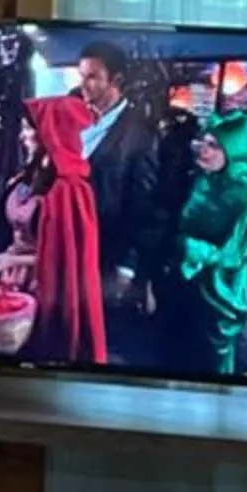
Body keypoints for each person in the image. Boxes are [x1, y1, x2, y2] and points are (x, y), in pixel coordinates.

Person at [1, 95, 109, 367]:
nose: (23, 136)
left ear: (51, 132)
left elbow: (66, 259)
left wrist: (14, 260)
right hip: (13, 281)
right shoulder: (29, 175)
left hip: (47, 288)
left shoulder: (70, 187)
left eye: (29, 129)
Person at [162, 112, 247, 378]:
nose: (204, 151)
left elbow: (233, 256)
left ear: (234, 153)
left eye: (214, 146)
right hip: (183, 285)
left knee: (208, 370)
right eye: (203, 142)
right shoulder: (201, 181)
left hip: (218, 295)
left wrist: (190, 247)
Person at [74, 39, 161, 317]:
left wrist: (127, 266)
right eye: (81, 76)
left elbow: (142, 205)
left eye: (92, 77)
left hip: (107, 252)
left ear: (116, 80)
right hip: (70, 244)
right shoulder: (76, 118)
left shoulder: (139, 134)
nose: (83, 85)